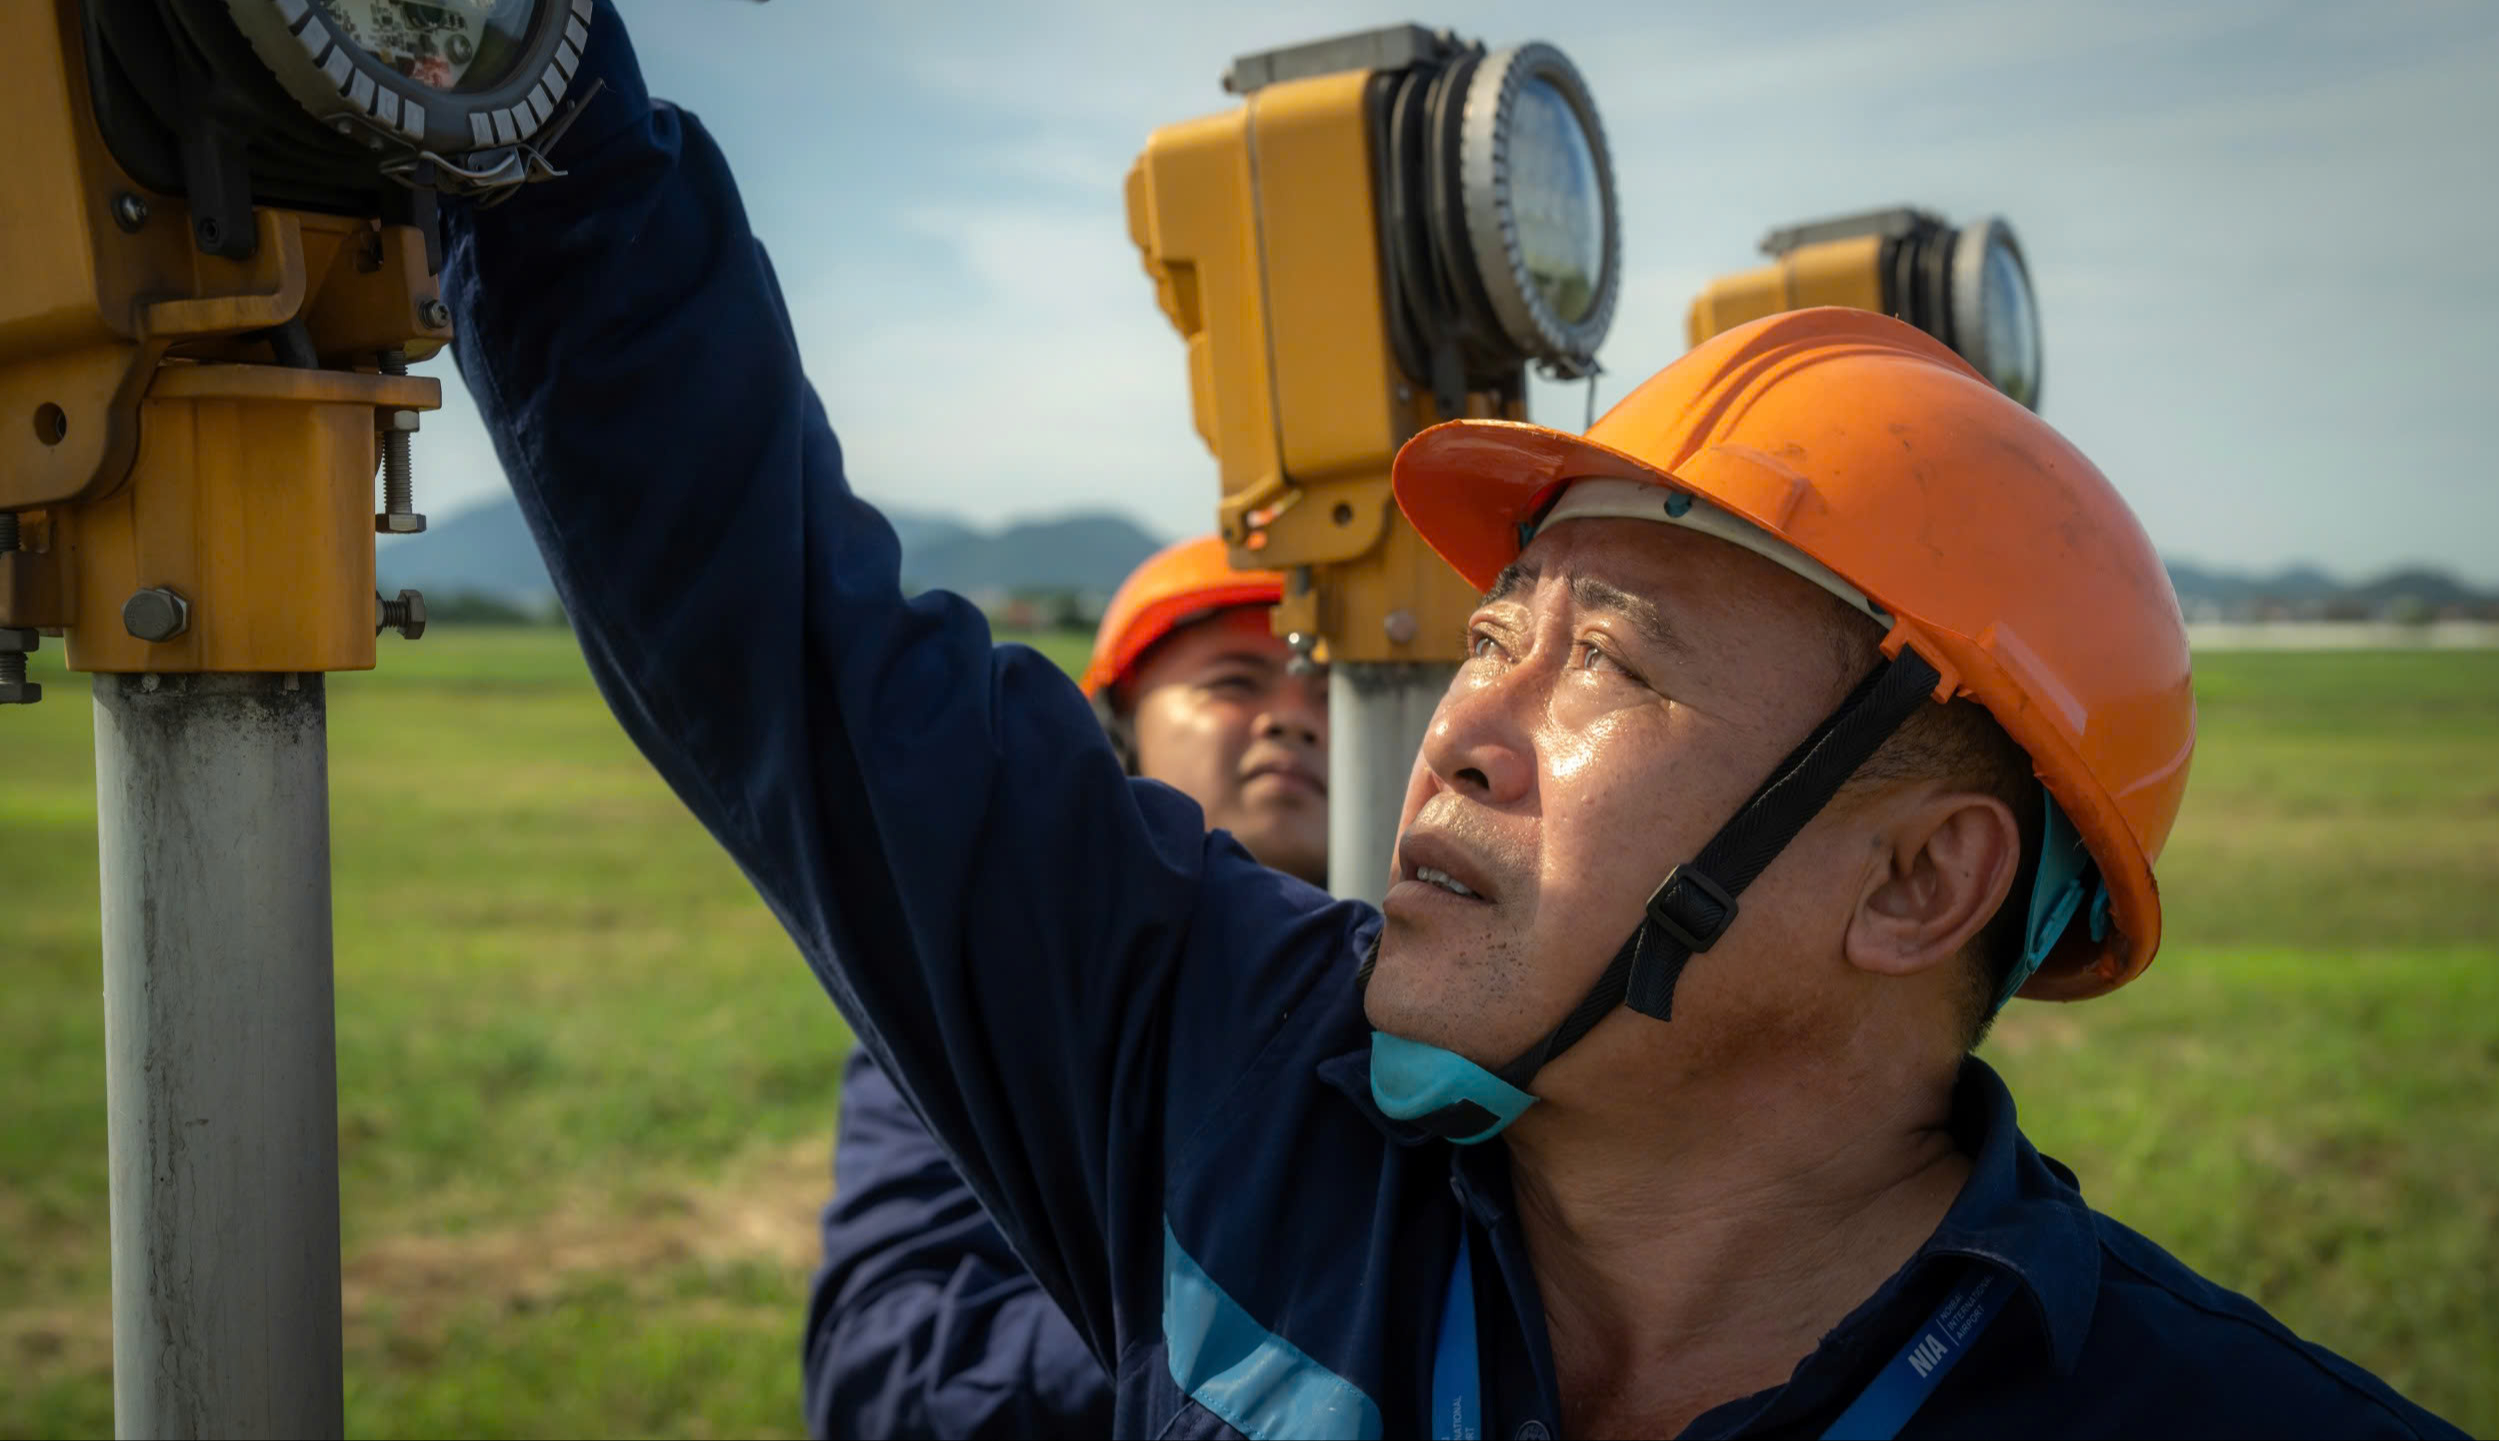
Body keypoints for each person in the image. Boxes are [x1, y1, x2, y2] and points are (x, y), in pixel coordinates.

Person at [444, 7, 2464, 1435]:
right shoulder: (1224, 1082)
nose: (1455, 734)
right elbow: (766, 613)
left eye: (1613, 667)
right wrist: (502, 90)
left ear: (1922, 877)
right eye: (1496, 638)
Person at [802, 537, 1324, 1437]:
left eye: (1335, 692)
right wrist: (1242, 1319)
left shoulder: (1471, 1005)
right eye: (1235, 679)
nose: (1295, 716)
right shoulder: (987, 993)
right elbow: (881, 1373)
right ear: (1116, 738)